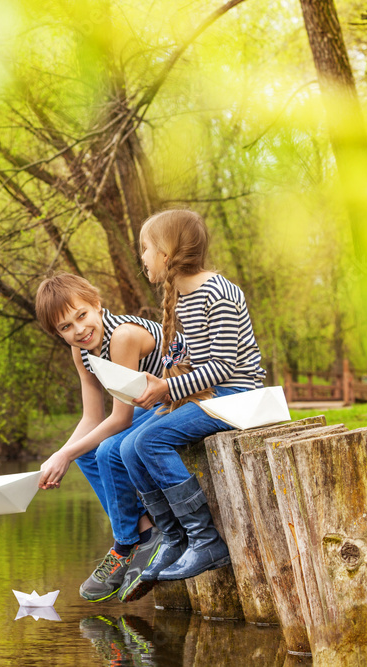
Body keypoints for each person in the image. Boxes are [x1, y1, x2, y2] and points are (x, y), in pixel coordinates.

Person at [117, 209, 265, 602]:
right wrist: (165, 390)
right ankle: (174, 536)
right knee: (130, 446)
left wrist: (166, 389)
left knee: (150, 442)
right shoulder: (184, 298)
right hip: (213, 396)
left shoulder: (219, 291)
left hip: (239, 396)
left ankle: (205, 540)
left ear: (166, 252)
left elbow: (222, 367)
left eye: (145, 249)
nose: (142, 258)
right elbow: (194, 367)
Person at [35, 274, 180, 602]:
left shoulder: (123, 337)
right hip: (149, 406)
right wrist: (61, 455)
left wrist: (66, 454)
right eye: (65, 327)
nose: (79, 330)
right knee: (86, 452)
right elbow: (91, 417)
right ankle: (141, 532)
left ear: (97, 305)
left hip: (181, 399)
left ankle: (127, 543)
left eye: (82, 315)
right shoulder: (81, 352)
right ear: (58, 334)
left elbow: (120, 419)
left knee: (105, 451)